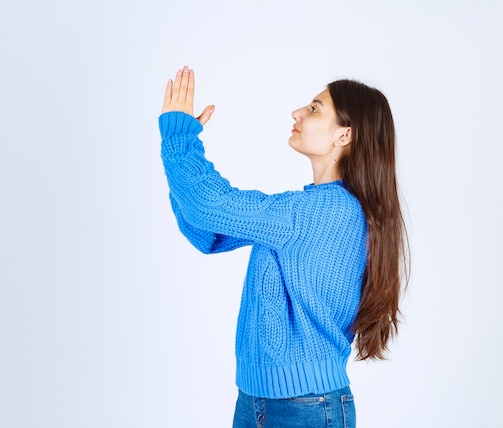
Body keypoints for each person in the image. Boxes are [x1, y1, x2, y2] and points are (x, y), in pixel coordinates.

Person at [159, 66, 408, 428]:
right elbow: (209, 231)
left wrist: (179, 140)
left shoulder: (322, 211)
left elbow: (211, 206)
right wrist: (177, 164)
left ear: (344, 135)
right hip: (259, 399)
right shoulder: (309, 210)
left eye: (315, 109)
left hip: (304, 408)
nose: (298, 113)